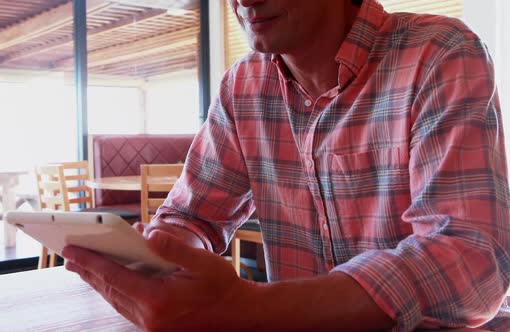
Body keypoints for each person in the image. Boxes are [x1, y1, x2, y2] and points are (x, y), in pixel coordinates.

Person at [62, 0, 510, 330]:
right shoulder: (244, 84)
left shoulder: (438, 53)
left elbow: (470, 265)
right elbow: (190, 216)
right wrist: (163, 257)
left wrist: (247, 308)